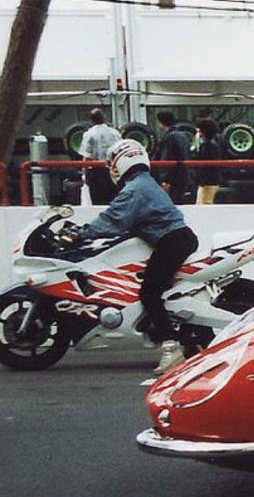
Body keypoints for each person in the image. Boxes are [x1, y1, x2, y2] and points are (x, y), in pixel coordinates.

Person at [69, 139, 198, 371]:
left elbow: (113, 219)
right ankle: (189, 342)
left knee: (150, 292)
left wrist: (79, 234)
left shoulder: (134, 189)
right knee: (159, 290)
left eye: (111, 164)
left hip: (172, 241)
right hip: (177, 239)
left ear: (119, 162)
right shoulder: (145, 183)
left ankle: (171, 348)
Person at [79, 108, 121, 205]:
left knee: (97, 201)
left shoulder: (89, 134)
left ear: (91, 120)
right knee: (113, 200)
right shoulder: (115, 133)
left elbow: (87, 157)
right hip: (112, 170)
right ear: (104, 118)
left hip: (95, 172)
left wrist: (84, 174)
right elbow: (120, 151)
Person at [151, 111, 190, 202]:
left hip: (173, 180)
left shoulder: (169, 138)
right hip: (183, 176)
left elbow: (167, 158)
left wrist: (166, 180)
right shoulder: (183, 135)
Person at [192, 117, 224, 205]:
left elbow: (206, 165)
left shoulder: (208, 146)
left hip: (208, 182)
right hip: (209, 181)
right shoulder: (213, 144)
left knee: (204, 204)